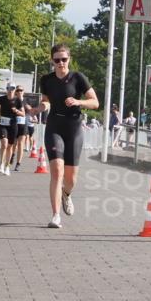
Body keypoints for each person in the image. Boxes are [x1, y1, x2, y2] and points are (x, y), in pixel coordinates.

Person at [29, 43, 99, 228]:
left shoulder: (78, 78)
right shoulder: (47, 79)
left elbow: (95, 102)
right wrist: (38, 108)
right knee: (57, 171)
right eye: (57, 60)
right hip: (55, 127)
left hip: (74, 128)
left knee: (71, 178)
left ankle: (66, 194)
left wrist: (79, 101)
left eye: (64, 59)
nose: (60, 63)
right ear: (52, 61)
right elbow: (46, 102)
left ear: (69, 59)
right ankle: (55, 215)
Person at [0, 84, 17, 175]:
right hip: (3, 124)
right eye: (9, 88)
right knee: (4, 144)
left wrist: (17, 111)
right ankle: (1, 163)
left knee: (10, 146)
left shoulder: (17, 100)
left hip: (13, 125)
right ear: (6, 89)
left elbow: (23, 113)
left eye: (12, 88)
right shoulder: (1, 99)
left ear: (14, 89)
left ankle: (7, 166)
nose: (10, 90)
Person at [10, 86, 28, 172]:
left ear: (23, 92)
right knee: (14, 144)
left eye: (21, 90)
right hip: (14, 124)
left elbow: (29, 111)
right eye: (18, 90)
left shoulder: (25, 101)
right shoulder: (13, 100)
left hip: (23, 125)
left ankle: (18, 164)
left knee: (21, 144)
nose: (20, 91)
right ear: (15, 92)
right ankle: (12, 154)